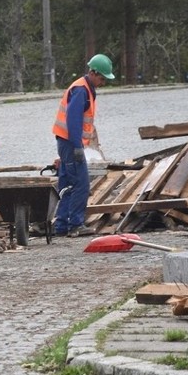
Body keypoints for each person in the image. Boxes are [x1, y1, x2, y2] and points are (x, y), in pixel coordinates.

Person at [51, 53, 115, 237]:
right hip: (71, 143)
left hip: (66, 142)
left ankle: (61, 226)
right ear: (93, 73)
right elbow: (73, 120)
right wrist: (78, 147)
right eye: (102, 78)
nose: (103, 82)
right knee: (81, 184)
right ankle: (75, 225)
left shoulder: (84, 88)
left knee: (66, 183)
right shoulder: (81, 90)